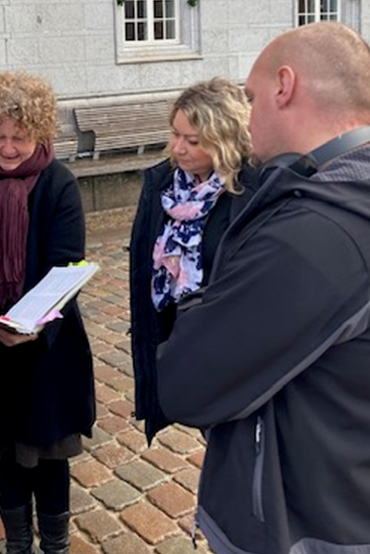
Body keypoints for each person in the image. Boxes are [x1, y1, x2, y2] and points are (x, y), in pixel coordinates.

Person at [155, 22, 370, 554]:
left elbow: (184, 383)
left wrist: (196, 301)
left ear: (285, 87)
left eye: (252, 96)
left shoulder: (318, 235)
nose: (248, 113)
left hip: (318, 528)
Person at [0, 71, 94, 554]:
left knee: (47, 455)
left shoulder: (58, 184)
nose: (7, 148)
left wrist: (31, 326)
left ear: (41, 133)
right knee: (3, 451)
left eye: (19, 137)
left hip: (43, 347)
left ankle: (55, 545)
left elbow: (65, 266)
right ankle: (17, 544)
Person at [128, 78, 255, 443]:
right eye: (175, 134)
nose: (178, 148)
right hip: (177, 337)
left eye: (193, 141)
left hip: (227, 348)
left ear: (225, 139)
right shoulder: (162, 185)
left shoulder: (248, 191)